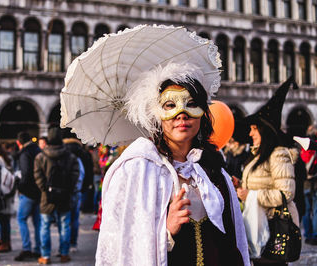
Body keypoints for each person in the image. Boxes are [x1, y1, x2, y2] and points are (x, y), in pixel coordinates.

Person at [95, 62, 249, 266]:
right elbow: (123, 246)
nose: (182, 114)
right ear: (157, 114)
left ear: (203, 113)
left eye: (191, 103)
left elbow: (231, 237)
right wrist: (166, 230)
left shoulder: (211, 168)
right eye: (170, 105)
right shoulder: (138, 170)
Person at [237, 78, 299, 266]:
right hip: (259, 226)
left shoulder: (278, 154)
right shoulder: (257, 156)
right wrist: (240, 187)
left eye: (254, 129)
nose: (250, 133)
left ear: (263, 131)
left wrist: (251, 195)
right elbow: (258, 185)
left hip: (273, 228)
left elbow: (286, 193)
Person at [34, 127, 79, 264]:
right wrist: (68, 189)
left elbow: (38, 176)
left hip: (47, 198)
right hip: (65, 196)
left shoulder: (41, 156)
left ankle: (45, 256)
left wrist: (45, 189)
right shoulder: (70, 156)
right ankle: (64, 254)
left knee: (45, 226)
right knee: (65, 225)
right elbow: (75, 175)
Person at [15, 131, 42, 261]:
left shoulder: (25, 153)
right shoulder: (38, 150)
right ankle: (38, 249)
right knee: (37, 222)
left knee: (21, 218)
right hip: (39, 191)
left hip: (28, 192)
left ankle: (26, 248)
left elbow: (25, 174)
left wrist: (20, 187)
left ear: (19, 142)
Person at [0, 141, 15, 252]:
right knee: (6, 220)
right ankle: (6, 242)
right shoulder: (8, 158)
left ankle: (3, 242)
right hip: (8, 191)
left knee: (2, 220)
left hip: (2, 192)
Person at [62, 136, 85, 252]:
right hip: (76, 192)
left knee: (66, 220)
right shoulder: (78, 160)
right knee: (74, 219)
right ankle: (72, 244)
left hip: (69, 192)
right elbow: (82, 177)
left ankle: (66, 245)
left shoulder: (66, 160)